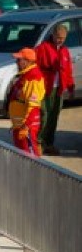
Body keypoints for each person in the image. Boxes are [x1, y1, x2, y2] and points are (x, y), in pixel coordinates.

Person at [36, 24, 75, 155]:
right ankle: (38, 142)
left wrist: (70, 87)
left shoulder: (64, 51)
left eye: (63, 38)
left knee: (53, 117)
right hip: (45, 88)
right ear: (53, 35)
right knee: (44, 116)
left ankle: (49, 143)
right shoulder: (42, 49)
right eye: (58, 37)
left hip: (58, 89)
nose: (60, 40)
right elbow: (35, 67)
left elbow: (68, 70)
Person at [8, 47, 45, 157]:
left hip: (25, 128)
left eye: (19, 60)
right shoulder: (25, 75)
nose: (16, 62)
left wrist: (26, 126)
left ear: (28, 61)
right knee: (23, 157)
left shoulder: (34, 77)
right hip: (19, 126)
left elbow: (33, 106)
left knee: (30, 158)